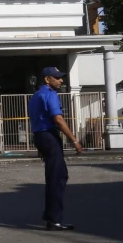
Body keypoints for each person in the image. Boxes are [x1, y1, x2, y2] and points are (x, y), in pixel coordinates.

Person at [29, 67, 83, 230]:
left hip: (41, 136)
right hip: (49, 136)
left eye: (61, 78)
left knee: (57, 175)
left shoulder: (36, 95)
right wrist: (74, 140)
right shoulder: (49, 94)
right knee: (56, 177)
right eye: (57, 78)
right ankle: (54, 220)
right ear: (47, 79)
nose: (61, 80)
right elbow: (58, 119)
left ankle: (51, 216)